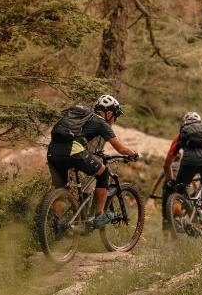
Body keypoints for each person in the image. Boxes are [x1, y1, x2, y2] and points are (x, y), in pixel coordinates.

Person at [47, 95, 138, 229]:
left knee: (61, 188)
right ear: (108, 113)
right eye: (115, 115)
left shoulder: (84, 117)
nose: (115, 119)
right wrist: (133, 154)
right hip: (72, 151)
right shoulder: (101, 122)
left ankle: (57, 224)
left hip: (53, 151)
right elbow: (120, 148)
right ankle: (99, 215)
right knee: (103, 172)